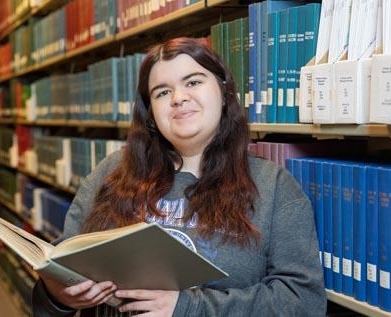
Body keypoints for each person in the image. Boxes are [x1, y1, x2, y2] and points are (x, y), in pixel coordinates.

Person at [33, 37, 327, 317]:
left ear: (224, 93)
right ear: (150, 113)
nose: (178, 98)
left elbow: (303, 302)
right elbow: (57, 278)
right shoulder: (110, 174)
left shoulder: (274, 187)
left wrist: (188, 308)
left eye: (193, 82)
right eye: (162, 92)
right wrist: (58, 295)